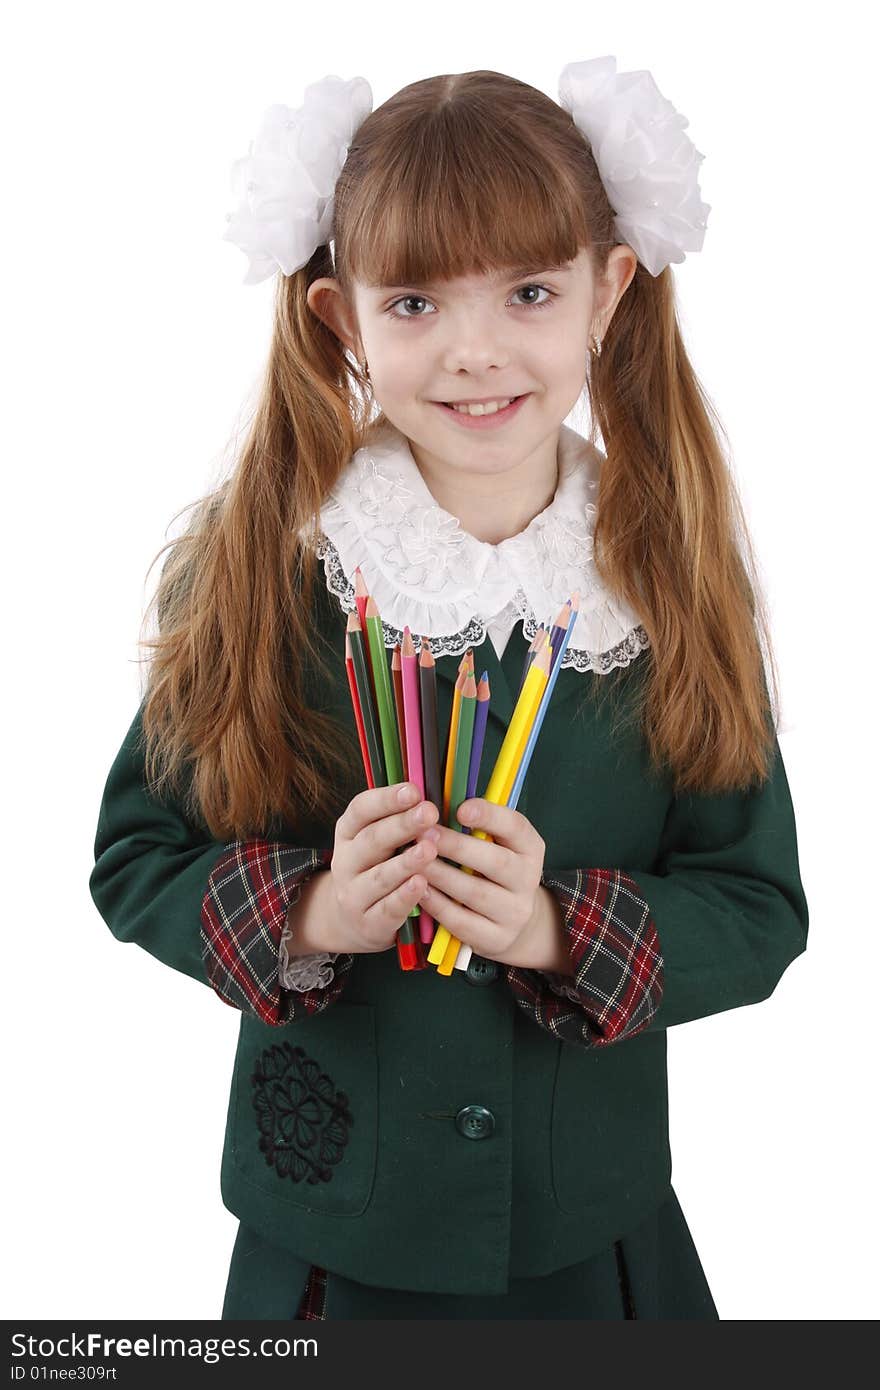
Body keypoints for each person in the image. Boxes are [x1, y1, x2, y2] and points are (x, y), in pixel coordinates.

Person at [89, 58, 809, 1321]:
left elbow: (755, 908)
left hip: (596, 1244)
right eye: (414, 300)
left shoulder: (669, 580)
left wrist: (554, 932)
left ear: (608, 291)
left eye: (529, 289)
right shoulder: (269, 566)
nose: (475, 352)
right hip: (332, 1249)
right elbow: (136, 854)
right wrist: (310, 911)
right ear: (338, 318)